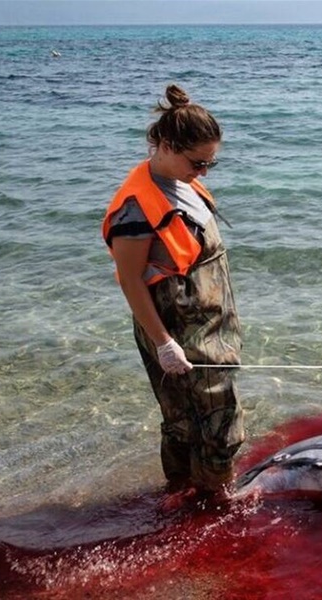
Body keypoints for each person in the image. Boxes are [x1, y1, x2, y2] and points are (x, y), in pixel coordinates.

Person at [102, 84, 244, 499]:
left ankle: (190, 495)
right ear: (165, 145)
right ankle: (212, 499)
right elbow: (130, 281)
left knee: (199, 416)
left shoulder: (184, 183)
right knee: (204, 420)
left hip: (211, 327)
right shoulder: (135, 209)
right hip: (177, 331)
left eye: (210, 166)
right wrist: (164, 344)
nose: (203, 173)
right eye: (197, 163)